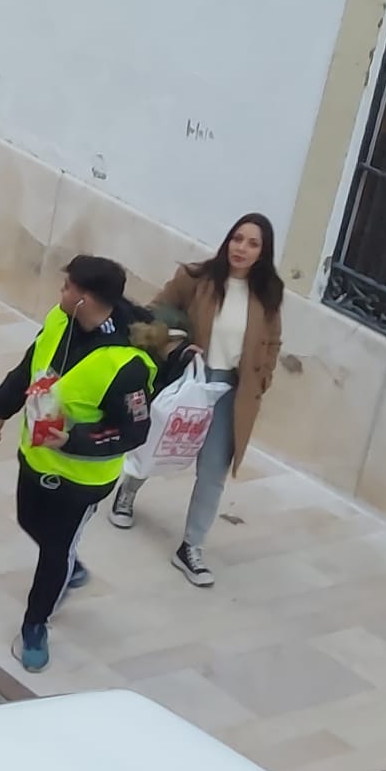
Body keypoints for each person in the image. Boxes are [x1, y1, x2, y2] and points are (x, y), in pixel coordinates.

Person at [0, 255, 159, 675]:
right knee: (29, 520)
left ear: (86, 299)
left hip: (81, 480)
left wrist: (72, 441)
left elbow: (134, 432)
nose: (60, 292)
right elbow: (30, 367)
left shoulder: (126, 365)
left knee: (55, 551)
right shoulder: (60, 320)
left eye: (68, 287)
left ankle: (35, 625)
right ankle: (68, 566)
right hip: (36, 459)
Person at [109, 213, 286, 588]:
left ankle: (191, 547)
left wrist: (262, 378)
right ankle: (128, 490)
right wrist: (178, 347)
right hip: (189, 377)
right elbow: (153, 314)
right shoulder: (196, 278)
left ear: (263, 252)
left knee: (212, 472)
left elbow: (272, 342)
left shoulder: (268, 296)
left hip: (230, 392)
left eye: (253, 243)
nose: (242, 248)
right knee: (158, 442)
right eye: (237, 238)